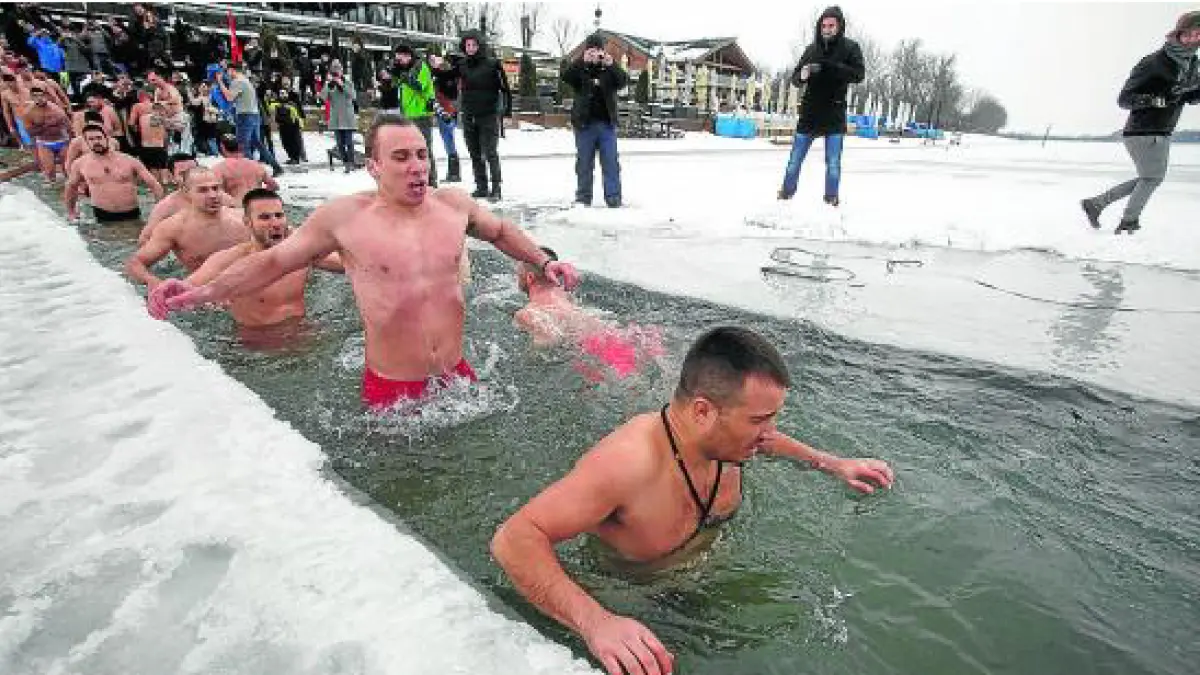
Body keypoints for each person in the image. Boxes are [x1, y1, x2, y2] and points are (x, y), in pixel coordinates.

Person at [491, 326, 895, 675]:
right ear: (702, 411)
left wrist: (833, 463)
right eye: (759, 420)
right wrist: (597, 623)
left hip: (705, 586)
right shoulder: (627, 464)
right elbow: (513, 539)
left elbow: (770, 441)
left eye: (772, 417)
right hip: (631, 602)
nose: (769, 432)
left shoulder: (732, 441)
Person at [148, 114, 580, 411]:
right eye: (401, 157)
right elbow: (273, 262)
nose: (417, 167)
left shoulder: (453, 205)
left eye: (421, 155)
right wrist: (202, 291)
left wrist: (544, 263)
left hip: (457, 376)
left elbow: (500, 232)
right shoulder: (344, 219)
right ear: (373, 166)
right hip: (393, 388)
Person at [148, 187, 343, 330]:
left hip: (303, 334)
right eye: (265, 217)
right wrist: (170, 291)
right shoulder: (232, 258)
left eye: (279, 215)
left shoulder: (300, 254)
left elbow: (347, 265)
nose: (275, 223)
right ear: (247, 222)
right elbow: (191, 286)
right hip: (257, 345)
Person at [1081, 11, 1200, 235]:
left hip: (1163, 130)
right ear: (1178, 34)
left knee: (1150, 178)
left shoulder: (1192, 63)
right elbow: (1124, 99)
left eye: (1199, 35)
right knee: (1152, 178)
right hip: (1142, 131)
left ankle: (1096, 204)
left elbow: (1184, 96)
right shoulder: (1154, 62)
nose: (1194, 39)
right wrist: (1153, 100)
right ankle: (1128, 222)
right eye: (1189, 34)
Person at [514, 246, 665, 382]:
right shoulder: (565, 296)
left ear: (530, 278)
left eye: (518, 273)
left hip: (592, 356)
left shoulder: (527, 313)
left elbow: (549, 344)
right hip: (614, 339)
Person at [777, 6, 864, 206]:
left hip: (834, 112)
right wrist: (802, 76)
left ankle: (831, 198)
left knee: (833, 163)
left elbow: (859, 75)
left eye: (831, 25)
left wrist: (833, 67)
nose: (827, 29)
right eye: (824, 25)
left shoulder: (850, 48)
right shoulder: (811, 50)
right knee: (794, 160)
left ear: (839, 27)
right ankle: (786, 194)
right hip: (810, 113)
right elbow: (795, 79)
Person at [124, 166, 248, 288]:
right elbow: (136, 263)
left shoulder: (243, 218)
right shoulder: (174, 228)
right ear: (186, 192)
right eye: (203, 190)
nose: (212, 195)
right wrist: (154, 282)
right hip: (203, 293)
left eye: (215, 188)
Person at [562, 34, 628, 208]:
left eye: (598, 50)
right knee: (584, 163)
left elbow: (623, 81)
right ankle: (583, 197)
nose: (595, 53)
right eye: (591, 50)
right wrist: (581, 62)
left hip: (606, 124)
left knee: (610, 162)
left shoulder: (608, 67)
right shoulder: (580, 68)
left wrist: (612, 65)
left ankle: (613, 197)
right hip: (584, 124)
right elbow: (566, 77)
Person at [64, 122, 164, 224]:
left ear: (107, 138)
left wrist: (159, 212)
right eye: (91, 139)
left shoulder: (129, 161)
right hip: (101, 214)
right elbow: (71, 187)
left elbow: (154, 185)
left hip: (131, 213)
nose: (96, 142)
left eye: (99, 138)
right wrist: (71, 212)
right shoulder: (80, 164)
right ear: (86, 142)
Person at [455, 31, 510, 201]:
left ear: (480, 46)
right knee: (475, 153)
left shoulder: (492, 64)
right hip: (469, 114)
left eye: (474, 45)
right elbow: (449, 82)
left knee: (490, 152)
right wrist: (438, 69)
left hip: (488, 115)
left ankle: (496, 187)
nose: (470, 48)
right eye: (467, 45)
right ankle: (481, 186)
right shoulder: (461, 65)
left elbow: (505, 89)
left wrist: (506, 111)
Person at [138, 154, 239, 245]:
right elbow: (144, 239)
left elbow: (243, 221)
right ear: (172, 177)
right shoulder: (167, 207)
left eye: (193, 171)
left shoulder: (221, 198)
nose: (189, 177)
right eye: (182, 174)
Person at [215, 62, 283, 177]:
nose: (226, 74)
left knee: (243, 145)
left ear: (232, 70)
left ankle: (253, 173)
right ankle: (276, 167)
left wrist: (220, 82)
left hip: (244, 116)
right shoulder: (246, 81)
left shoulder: (237, 82)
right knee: (257, 143)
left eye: (227, 71)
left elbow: (229, 97)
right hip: (254, 115)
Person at [389, 44, 439, 187]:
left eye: (400, 59)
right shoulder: (403, 69)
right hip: (407, 115)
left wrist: (402, 75)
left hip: (421, 114)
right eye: (397, 59)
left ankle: (431, 182)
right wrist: (392, 75)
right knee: (411, 150)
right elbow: (394, 86)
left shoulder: (420, 66)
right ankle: (417, 180)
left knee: (424, 149)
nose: (399, 61)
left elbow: (418, 86)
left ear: (408, 56)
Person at [23, 83, 70, 181]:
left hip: (62, 141)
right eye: (35, 96)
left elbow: (68, 126)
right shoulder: (28, 112)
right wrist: (45, 126)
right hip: (44, 143)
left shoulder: (56, 109)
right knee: (49, 171)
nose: (39, 98)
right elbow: (30, 132)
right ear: (31, 97)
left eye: (41, 95)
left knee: (67, 170)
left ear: (46, 96)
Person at [213, 134, 279, 202]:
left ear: (222, 147)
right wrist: (260, 195)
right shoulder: (256, 165)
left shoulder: (219, 169)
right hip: (256, 204)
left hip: (237, 205)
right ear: (239, 147)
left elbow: (216, 192)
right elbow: (274, 186)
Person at [430, 53, 461, 183]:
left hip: (447, 111)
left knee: (448, 140)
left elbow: (451, 95)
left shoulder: (445, 77)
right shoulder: (441, 76)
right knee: (448, 140)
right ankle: (453, 172)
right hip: (445, 110)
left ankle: (454, 173)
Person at [128, 91, 170, 186]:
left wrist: (137, 133)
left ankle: (154, 185)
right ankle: (164, 184)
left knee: (152, 167)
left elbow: (131, 124)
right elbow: (162, 134)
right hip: (158, 146)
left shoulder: (141, 116)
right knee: (162, 167)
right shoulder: (158, 118)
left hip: (146, 146)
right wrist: (165, 144)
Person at [322, 59, 358, 173]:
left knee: (349, 142)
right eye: (334, 70)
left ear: (342, 71)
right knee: (340, 144)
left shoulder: (347, 82)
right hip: (336, 118)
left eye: (338, 70)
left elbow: (353, 96)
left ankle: (351, 163)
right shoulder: (330, 84)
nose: (337, 72)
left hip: (347, 117)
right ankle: (346, 162)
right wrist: (328, 85)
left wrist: (342, 85)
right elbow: (323, 97)